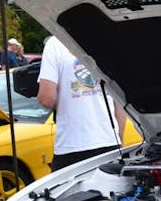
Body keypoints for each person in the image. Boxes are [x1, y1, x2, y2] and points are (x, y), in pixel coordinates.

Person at [37, 36, 127, 171]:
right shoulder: (109, 41)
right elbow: (120, 102)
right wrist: (119, 141)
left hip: (71, 146)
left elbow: (46, 99)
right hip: (109, 142)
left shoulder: (55, 43)